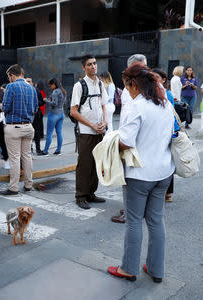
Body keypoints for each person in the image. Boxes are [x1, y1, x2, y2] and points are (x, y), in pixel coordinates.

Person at [107, 63, 174, 284]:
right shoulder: (164, 104)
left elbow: (126, 142)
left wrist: (111, 143)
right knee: (156, 221)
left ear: (134, 84)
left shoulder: (138, 106)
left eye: (127, 87)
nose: (127, 91)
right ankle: (156, 269)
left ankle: (129, 268)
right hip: (164, 171)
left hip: (140, 174)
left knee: (134, 221)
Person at [112, 54, 147, 222]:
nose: (143, 71)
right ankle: (129, 208)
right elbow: (125, 114)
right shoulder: (128, 88)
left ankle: (130, 212)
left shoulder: (149, 89)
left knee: (133, 179)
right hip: (128, 136)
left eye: (144, 67)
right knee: (126, 177)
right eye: (139, 68)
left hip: (137, 141)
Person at [70, 55, 108, 209]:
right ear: (83, 68)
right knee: (84, 165)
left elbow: (104, 105)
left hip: (99, 131)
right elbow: (73, 111)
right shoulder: (79, 86)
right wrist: (92, 125)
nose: (93, 66)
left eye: (94, 63)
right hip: (86, 132)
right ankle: (80, 196)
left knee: (96, 164)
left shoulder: (100, 84)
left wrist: (105, 122)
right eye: (89, 64)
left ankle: (91, 193)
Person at [0, 64, 38, 196]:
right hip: (28, 126)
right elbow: (35, 109)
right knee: (27, 157)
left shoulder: (11, 86)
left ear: (12, 75)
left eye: (8, 76)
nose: (9, 79)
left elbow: (5, 107)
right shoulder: (32, 88)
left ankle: (13, 187)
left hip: (13, 126)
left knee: (15, 158)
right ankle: (28, 184)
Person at [152, 68, 180, 203]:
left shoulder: (166, 93)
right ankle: (166, 192)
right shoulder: (156, 92)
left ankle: (168, 192)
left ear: (163, 80)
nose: (153, 79)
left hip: (168, 132)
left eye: (156, 77)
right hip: (164, 131)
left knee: (167, 161)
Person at [41, 77, 66, 155]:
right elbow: (63, 102)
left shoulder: (55, 92)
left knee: (49, 133)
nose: (50, 87)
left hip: (54, 114)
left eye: (50, 85)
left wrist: (46, 100)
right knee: (59, 132)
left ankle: (45, 151)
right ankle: (58, 150)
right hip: (61, 113)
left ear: (54, 84)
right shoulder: (63, 91)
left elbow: (54, 103)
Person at [27, 78, 44, 155]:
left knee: (36, 133)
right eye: (26, 81)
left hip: (36, 115)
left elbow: (42, 101)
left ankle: (38, 149)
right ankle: (30, 150)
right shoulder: (24, 91)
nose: (28, 83)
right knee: (28, 134)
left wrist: (36, 104)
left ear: (32, 83)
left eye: (29, 81)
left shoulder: (36, 91)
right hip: (27, 115)